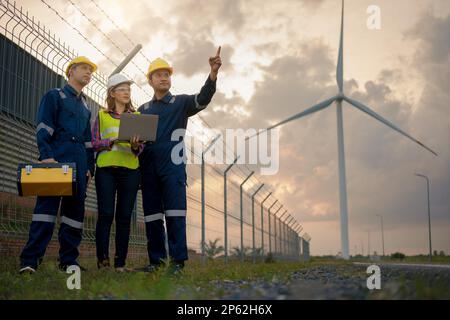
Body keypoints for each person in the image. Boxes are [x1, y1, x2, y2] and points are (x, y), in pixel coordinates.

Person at [137, 47, 222, 274]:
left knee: (175, 213)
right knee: (153, 216)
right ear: (151, 81)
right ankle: (156, 262)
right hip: (148, 170)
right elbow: (137, 146)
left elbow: (203, 99)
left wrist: (212, 73)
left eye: (167, 74)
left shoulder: (181, 103)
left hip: (173, 167)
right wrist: (135, 145)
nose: (164, 78)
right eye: (159, 75)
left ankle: (177, 263)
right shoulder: (142, 110)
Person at [19, 56, 97, 274]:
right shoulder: (54, 96)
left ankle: (68, 261)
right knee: (45, 212)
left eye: (91, 71)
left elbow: (88, 141)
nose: (88, 73)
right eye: (84, 68)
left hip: (79, 166)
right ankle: (30, 261)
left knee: (74, 215)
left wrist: (89, 168)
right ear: (70, 71)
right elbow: (43, 127)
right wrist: (46, 156)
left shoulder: (85, 107)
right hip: (56, 161)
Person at [91, 73, 143, 272]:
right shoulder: (102, 115)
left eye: (128, 90)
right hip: (106, 170)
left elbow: (141, 149)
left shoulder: (137, 117)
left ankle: (120, 263)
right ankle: (102, 261)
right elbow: (94, 143)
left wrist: (136, 145)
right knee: (105, 215)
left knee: (124, 218)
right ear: (112, 93)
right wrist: (109, 142)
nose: (126, 93)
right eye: (122, 89)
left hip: (130, 171)